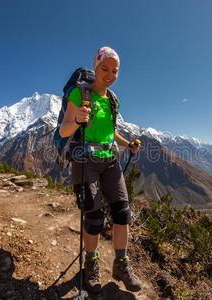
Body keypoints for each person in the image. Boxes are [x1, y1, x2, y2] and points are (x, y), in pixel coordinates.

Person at [59, 46, 143, 293]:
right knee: (94, 218)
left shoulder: (112, 100)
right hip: (85, 161)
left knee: (122, 213)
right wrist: (77, 120)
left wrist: (128, 144)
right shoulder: (80, 94)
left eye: (114, 70)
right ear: (95, 68)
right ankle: (91, 264)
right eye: (105, 69)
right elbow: (65, 130)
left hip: (110, 161)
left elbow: (110, 132)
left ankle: (121, 264)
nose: (110, 74)